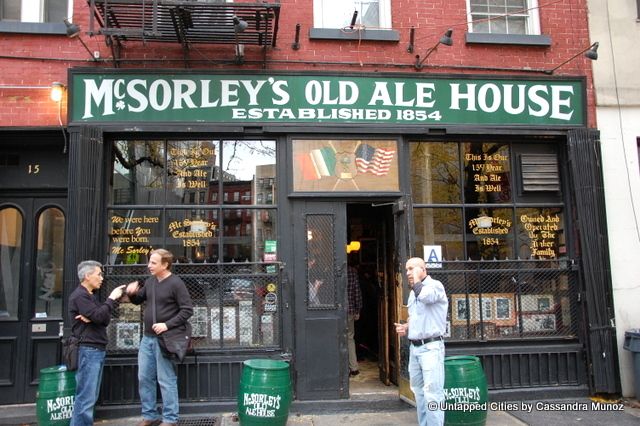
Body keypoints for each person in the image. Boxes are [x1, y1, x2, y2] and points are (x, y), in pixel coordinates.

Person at [126, 249, 193, 426]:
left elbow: (187, 310)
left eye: (153, 263)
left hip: (165, 339)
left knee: (166, 379)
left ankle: (170, 419)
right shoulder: (150, 281)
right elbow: (139, 299)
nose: (149, 265)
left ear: (165, 264)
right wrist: (132, 293)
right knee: (144, 377)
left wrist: (166, 325)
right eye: (150, 262)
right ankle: (149, 415)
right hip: (147, 339)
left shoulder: (176, 283)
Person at [68, 260, 125, 426]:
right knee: (86, 398)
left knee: (89, 396)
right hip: (88, 349)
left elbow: (104, 318)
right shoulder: (80, 296)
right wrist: (111, 298)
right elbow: (101, 316)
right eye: (99, 274)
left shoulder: (90, 296)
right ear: (87, 276)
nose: (102, 278)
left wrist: (95, 315)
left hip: (95, 349)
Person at [394, 257, 448, 426]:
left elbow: (426, 297)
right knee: (419, 392)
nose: (408, 273)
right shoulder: (412, 292)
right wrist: (406, 327)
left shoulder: (435, 286)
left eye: (411, 269)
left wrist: (417, 280)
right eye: (407, 269)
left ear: (423, 269)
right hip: (415, 348)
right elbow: (415, 315)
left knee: (433, 393)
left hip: (431, 347)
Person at [347, 256, 362, 376]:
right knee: (349, 338)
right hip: (350, 310)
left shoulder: (329, 269)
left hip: (335, 309)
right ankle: (353, 367)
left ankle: (342, 368)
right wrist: (358, 309)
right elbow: (357, 292)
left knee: (336, 338)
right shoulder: (352, 272)